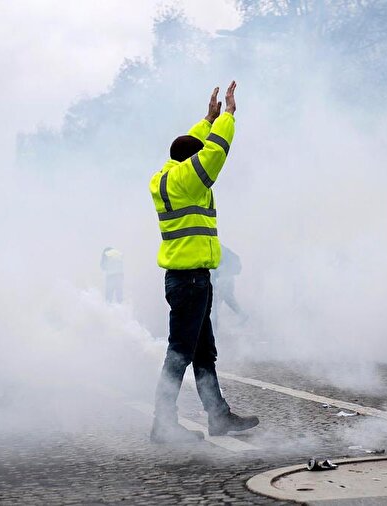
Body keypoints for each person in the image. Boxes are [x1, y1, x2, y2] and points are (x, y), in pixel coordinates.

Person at [147, 82, 259, 444]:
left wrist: (206, 120)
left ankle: (218, 416)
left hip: (188, 280)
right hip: (191, 282)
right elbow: (212, 155)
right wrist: (227, 117)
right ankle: (163, 424)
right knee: (179, 354)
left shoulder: (164, 177)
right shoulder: (189, 181)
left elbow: (187, 148)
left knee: (202, 353)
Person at [212, 245, 247, 330]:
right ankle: (242, 315)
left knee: (216, 302)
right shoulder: (221, 247)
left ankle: (214, 324)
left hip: (224, 278)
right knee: (227, 298)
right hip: (226, 277)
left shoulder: (215, 247)